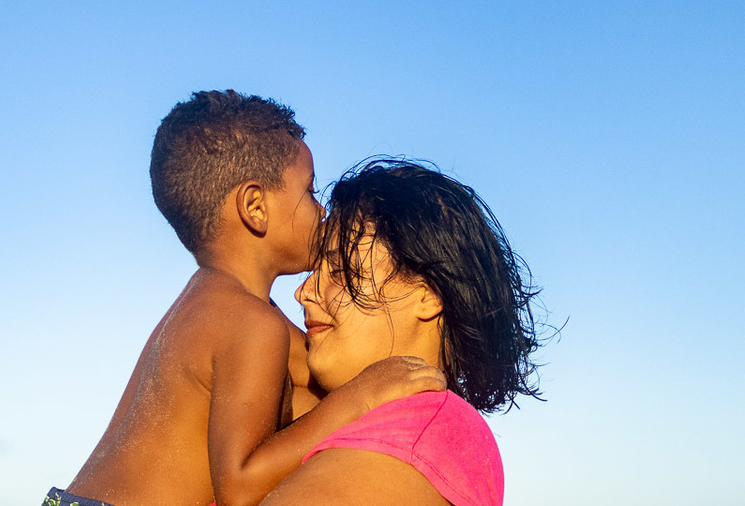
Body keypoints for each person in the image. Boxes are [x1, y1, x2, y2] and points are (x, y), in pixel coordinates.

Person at [46, 93, 446, 506]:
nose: (322, 211)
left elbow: (315, 379)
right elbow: (239, 487)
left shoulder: (207, 303)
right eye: (309, 192)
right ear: (255, 207)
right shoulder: (252, 325)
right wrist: (361, 397)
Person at [262, 159, 544, 506]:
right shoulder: (337, 416)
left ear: (428, 294)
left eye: (340, 268)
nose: (304, 292)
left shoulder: (428, 429)